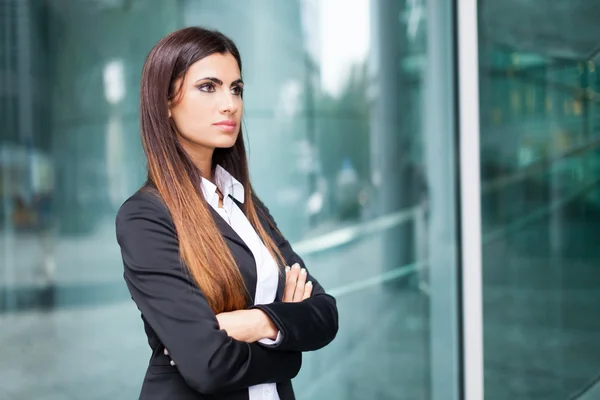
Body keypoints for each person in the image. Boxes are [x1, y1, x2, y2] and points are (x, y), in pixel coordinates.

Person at [115, 26, 339, 400]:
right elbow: (208, 364)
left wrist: (252, 321)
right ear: (166, 102)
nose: (230, 104)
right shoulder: (145, 217)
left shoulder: (243, 202)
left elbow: (324, 313)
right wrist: (289, 349)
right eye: (208, 87)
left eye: (236, 88)